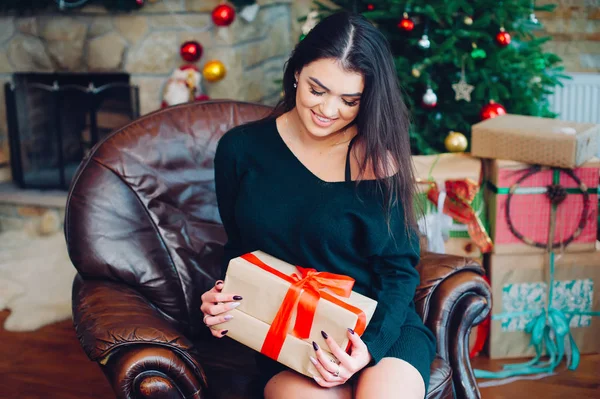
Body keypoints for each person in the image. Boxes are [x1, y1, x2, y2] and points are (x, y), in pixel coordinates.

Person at [200, 11, 436, 399]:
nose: (328, 111)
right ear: (296, 72)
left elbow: (398, 272)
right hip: (292, 331)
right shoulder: (240, 149)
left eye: (349, 100)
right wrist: (223, 300)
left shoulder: (377, 159)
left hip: (380, 330)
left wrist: (368, 350)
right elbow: (241, 251)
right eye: (317, 89)